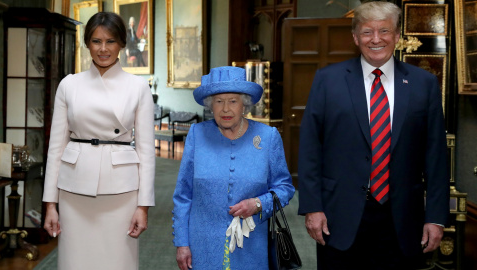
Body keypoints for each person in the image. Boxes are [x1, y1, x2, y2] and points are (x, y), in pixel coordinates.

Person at [298, 2, 449, 269]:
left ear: (397, 36)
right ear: (355, 37)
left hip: (403, 219)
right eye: (367, 32)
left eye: (384, 31)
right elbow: (311, 148)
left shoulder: (423, 84)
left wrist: (436, 217)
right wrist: (312, 207)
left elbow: (435, 156)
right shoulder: (327, 79)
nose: (376, 39)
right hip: (339, 216)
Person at [42, 12, 155, 270]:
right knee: (75, 262)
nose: (103, 49)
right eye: (96, 41)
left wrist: (143, 206)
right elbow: (55, 149)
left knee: (118, 262)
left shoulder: (138, 87)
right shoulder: (69, 85)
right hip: (74, 189)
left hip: (121, 192)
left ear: (122, 44)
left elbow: (147, 152)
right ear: (87, 44)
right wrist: (50, 204)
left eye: (110, 41)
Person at [172, 66, 295, 270]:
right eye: (219, 101)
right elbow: (183, 195)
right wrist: (182, 243)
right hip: (202, 244)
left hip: (252, 247)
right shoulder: (197, 134)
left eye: (233, 101)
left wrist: (258, 204)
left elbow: (285, 188)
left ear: (244, 105)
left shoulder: (268, 137)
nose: (225, 109)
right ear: (211, 105)